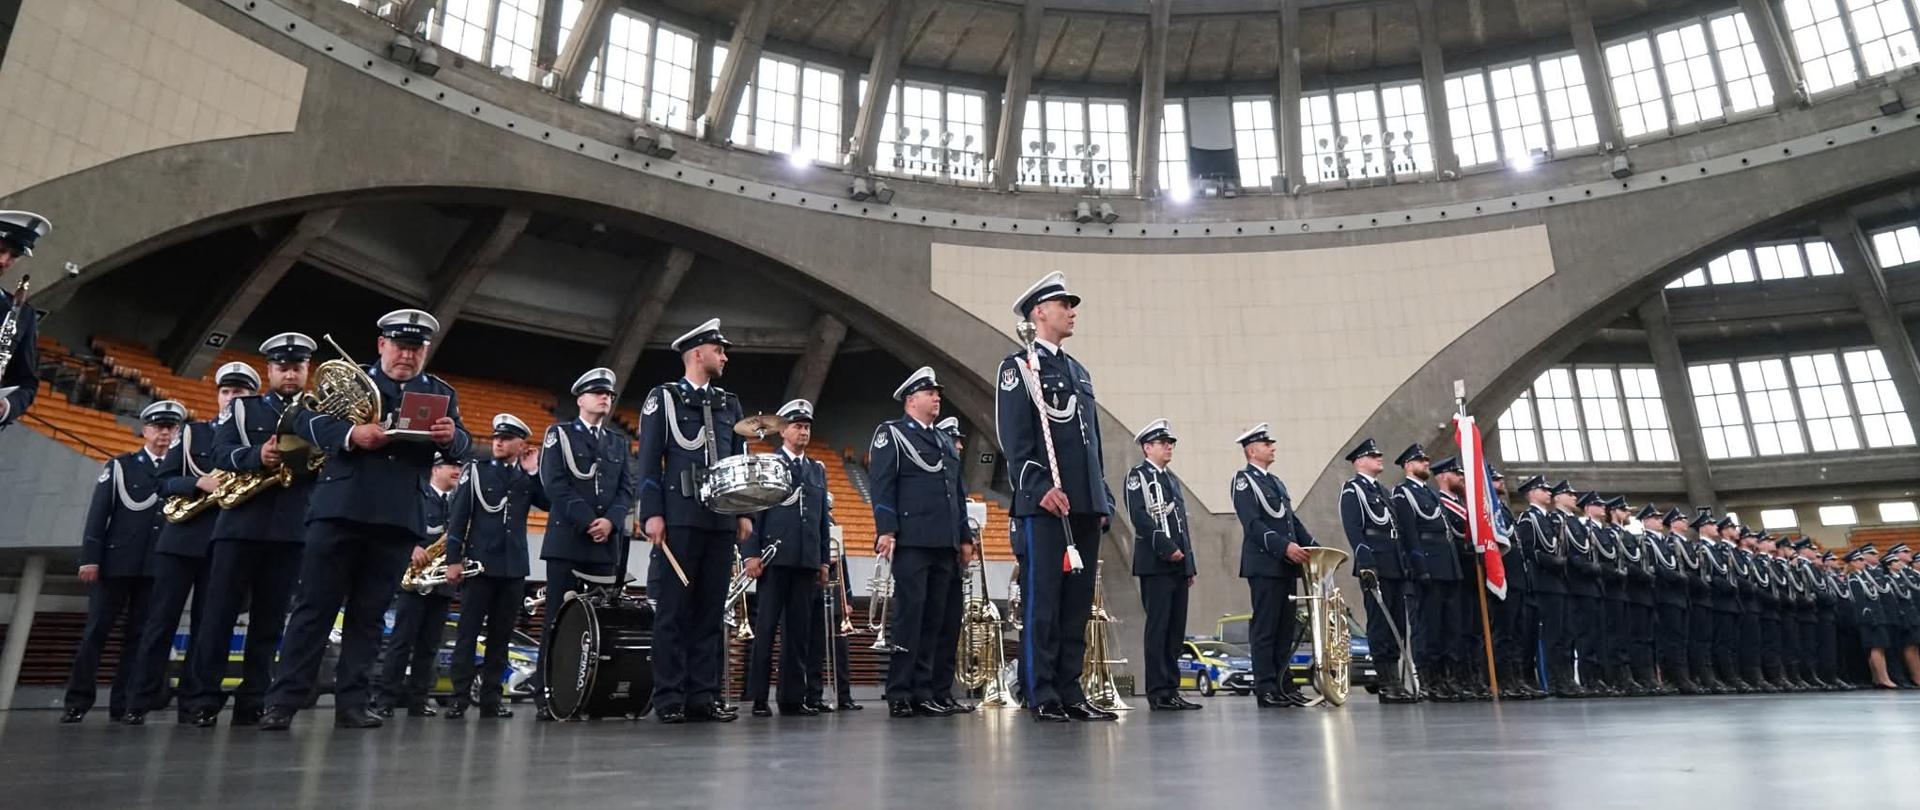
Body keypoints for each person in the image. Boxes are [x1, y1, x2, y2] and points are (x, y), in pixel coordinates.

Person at [260, 310, 472, 731]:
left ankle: (353, 705)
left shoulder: (441, 393)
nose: (406, 356)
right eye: (399, 346)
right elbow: (300, 419)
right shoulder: (351, 379)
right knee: (313, 609)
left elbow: (463, 447)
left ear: (426, 351)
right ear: (381, 345)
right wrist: (350, 436)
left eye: (415, 348)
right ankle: (282, 701)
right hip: (340, 509)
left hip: (396, 518)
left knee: (369, 616)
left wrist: (454, 437)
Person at [994, 271, 1114, 723]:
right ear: (1039, 312)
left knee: (1075, 606)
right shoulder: (1019, 368)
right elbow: (1015, 437)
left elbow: (1092, 443)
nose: (1072, 311)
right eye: (1064, 304)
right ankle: (1040, 690)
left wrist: (1101, 498)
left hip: (1083, 504)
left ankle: (1070, 688)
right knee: (1043, 603)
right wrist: (1040, 488)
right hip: (1045, 506)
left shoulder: (1078, 371)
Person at [184, 336, 319, 727]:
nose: (290, 373)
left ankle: (253, 700)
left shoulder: (318, 413)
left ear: (307, 370)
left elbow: (330, 460)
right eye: (282, 366)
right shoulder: (242, 409)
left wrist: (295, 455)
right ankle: (203, 699)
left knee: (270, 621)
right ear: (269, 371)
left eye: (297, 366)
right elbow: (219, 453)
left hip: (292, 529)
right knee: (217, 617)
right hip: (239, 524)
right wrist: (256, 455)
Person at [123, 363, 258, 725]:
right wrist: (197, 485)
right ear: (218, 395)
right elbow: (163, 482)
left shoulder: (257, 441)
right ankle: (140, 699)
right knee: (159, 623)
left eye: (241, 393)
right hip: (180, 540)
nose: (232, 398)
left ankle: (195, 703)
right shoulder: (193, 434)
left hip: (226, 542)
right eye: (227, 391)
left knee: (209, 627)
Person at [638, 320, 751, 724]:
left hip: (719, 520)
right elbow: (650, 459)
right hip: (680, 518)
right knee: (673, 610)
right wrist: (651, 512)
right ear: (697, 352)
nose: (724, 357)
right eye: (719, 350)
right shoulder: (664, 399)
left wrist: (743, 511)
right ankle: (669, 696)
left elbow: (739, 462)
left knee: (710, 610)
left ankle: (702, 695)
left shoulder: (730, 404)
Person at [59, 401, 183, 723]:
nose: (164, 434)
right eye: (158, 427)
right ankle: (77, 701)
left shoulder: (181, 471)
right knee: (96, 633)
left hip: (155, 567)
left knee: (139, 639)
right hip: (115, 564)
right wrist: (90, 559)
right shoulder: (122, 466)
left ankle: (124, 705)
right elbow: (99, 514)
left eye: (170, 428)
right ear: (145, 430)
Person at [533, 367, 635, 719]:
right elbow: (554, 483)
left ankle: (592, 693)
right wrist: (588, 520)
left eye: (608, 394)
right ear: (580, 399)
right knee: (558, 621)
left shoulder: (618, 443)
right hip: (568, 541)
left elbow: (626, 489)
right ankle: (548, 696)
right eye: (597, 393)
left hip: (605, 543)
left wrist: (611, 521)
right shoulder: (558, 435)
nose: (605, 398)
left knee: (601, 624)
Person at [870, 368, 972, 718]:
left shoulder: (945, 442)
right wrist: (886, 529)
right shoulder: (892, 434)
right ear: (911, 399)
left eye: (937, 393)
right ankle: (900, 690)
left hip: (943, 542)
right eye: (930, 392)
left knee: (935, 620)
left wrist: (964, 537)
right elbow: (882, 485)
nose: (937, 398)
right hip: (913, 540)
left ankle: (925, 689)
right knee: (909, 618)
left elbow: (956, 494)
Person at [444, 414, 547, 719]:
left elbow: (550, 503)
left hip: (513, 568)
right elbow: (459, 518)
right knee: (467, 634)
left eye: (506, 439)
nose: (498, 442)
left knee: (501, 638)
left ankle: (491, 699)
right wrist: (453, 560)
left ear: (521, 444)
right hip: (478, 566)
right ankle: (459, 698)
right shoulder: (476, 472)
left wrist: (534, 473)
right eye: (496, 438)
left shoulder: (524, 477)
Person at [743, 399, 833, 717]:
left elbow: (822, 518)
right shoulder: (768, 464)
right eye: (797, 426)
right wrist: (751, 554)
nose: (803, 431)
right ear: (783, 431)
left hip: (806, 561)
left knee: (799, 634)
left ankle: (792, 698)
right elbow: (755, 510)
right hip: (774, 560)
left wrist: (823, 560)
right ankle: (757, 699)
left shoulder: (816, 470)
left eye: (807, 427)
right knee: (766, 630)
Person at [1232, 423, 1315, 708]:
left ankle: (1284, 684)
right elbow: (1253, 524)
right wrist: (1284, 547)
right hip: (1265, 563)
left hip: (1286, 564)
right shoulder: (1244, 481)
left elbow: (1291, 521)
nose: (1273, 447)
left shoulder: (1276, 482)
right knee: (1266, 628)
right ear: (1252, 450)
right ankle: (1266, 686)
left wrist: (1314, 546)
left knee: (1284, 629)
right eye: (1267, 444)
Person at [375, 452, 463, 717]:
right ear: (434, 469)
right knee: (401, 643)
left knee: (429, 646)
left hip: (442, 583)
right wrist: (411, 547)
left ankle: (418, 700)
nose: (457, 469)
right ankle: (385, 700)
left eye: (459, 465)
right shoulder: (418, 496)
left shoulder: (459, 501)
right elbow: (397, 527)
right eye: (450, 465)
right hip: (414, 581)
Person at [1124, 418, 1197, 711]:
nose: (1169, 447)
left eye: (1170, 443)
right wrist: (1168, 550)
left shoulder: (1170, 479)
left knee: (1175, 630)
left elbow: (1181, 525)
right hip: (1156, 562)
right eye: (1163, 443)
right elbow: (1140, 517)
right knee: (1158, 627)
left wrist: (1188, 564)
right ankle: (1157, 690)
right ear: (1147, 447)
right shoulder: (1138, 476)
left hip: (1178, 564)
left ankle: (1172, 687)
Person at [1343, 439, 1412, 703]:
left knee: (1397, 622)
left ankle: (1397, 680)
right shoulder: (1353, 490)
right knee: (1381, 623)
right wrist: (1365, 563)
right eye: (1373, 456)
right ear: (1360, 461)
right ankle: (1386, 682)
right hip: (1375, 564)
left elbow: (1395, 529)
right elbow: (1354, 528)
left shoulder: (1382, 491)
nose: (1379, 458)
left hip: (1393, 563)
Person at [1392, 444, 1461, 700]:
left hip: (1447, 568)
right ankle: (1430, 680)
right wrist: (1419, 567)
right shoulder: (1403, 494)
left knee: (1449, 628)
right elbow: (1409, 535)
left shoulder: (1431, 494)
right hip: (1428, 569)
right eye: (1420, 461)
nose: (1425, 464)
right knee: (1428, 628)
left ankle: (1447, 677)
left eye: (1426, 461)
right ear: (1408, 466)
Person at [1430, 457, 1488, 701]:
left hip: (1472, 573)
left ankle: (1473, 676)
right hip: (1456, 571)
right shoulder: (1439, 503)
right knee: (1457, 628)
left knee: (1474, 629)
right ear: (1443, 476)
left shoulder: (1465, 505)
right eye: (1456, 474)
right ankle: (1457, 676)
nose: (1462, 478)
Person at [931, 415, 976, 714]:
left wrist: (966, 539)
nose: (959, 444)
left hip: (952, 556)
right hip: (936, 551)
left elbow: (960, 511)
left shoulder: (955, 477)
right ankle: (930, 690)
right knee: (934, 626)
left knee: (949, 629)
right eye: (954, 438)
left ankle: (942, 690)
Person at [0, 210, 51, 432]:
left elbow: (26, 383)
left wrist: (6, 407)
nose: (4, 261)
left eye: (13, 256)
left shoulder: (23, 314)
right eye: (1, 250)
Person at [1563, 489, 1609, 697]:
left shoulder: (1582, 527)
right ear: (1589, 508)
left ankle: (1596, 677)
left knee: (1598, 635)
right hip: (1581, 586)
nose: (1604, 508)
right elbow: (1575, 555)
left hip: (1595, 587)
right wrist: (1590, 568)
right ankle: (1588, 677)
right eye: (1599, 505)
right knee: (1586, 636)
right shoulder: (1577, 525)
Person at [1844, 546, 1899, 689]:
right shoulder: (1853, 579)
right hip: (1868, 617)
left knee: (1878, 647)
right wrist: (1869, 616)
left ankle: (1877, 677)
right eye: (1860, 560)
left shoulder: (1864, 576)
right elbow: (1859, 601)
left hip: (1876, 614)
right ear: (1852, 563)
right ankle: (1883, 678)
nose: (1863, 562)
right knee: (1877, 647)